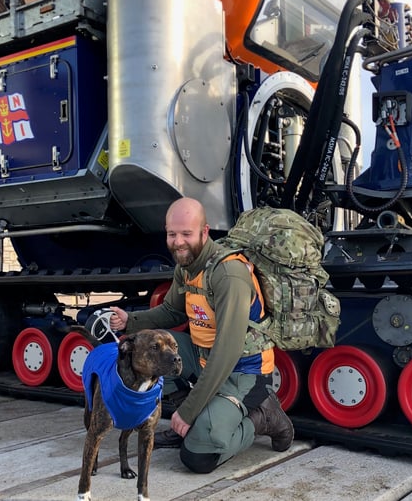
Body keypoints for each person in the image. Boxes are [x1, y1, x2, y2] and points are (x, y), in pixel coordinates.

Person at [109, 197, 293, 474]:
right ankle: (193, 426)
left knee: (197, 457)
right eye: (172, 234)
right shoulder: (186, 266)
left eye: (186, 233)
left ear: (204, 232)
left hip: (244, 370)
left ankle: (264, 416)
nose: (178, 241)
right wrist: (130, 322)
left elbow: (227, 351)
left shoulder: (228, 275)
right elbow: (172, 311)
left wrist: (189, 410)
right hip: (202, 356)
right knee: (149, 353)